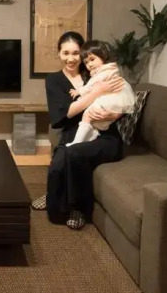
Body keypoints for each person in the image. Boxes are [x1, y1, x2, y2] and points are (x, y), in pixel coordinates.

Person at [31, 32, 125, 230]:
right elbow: (67, 112)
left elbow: (122, 99)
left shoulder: (95, 72)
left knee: (75, 154)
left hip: (105, 134)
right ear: (58, 53)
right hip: (74, 132)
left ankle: (78, 209)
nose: (71, 58)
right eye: (65, 53)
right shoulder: (54, 80)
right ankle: (53, 198)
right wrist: (98, 92)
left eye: (76, 53)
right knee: (58, 165)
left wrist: (114, 114)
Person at [65, 40, 135, 146]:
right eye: (86, 62)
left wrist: (79, 92)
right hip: (115, 100)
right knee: (94, 120)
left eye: (92, 59)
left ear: (103, 56)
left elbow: (92, 85)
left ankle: (77, 142)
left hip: (114, 98)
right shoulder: (109, 69)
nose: (90, 64)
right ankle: (88, 140)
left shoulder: (104, 72)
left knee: (88, 114)